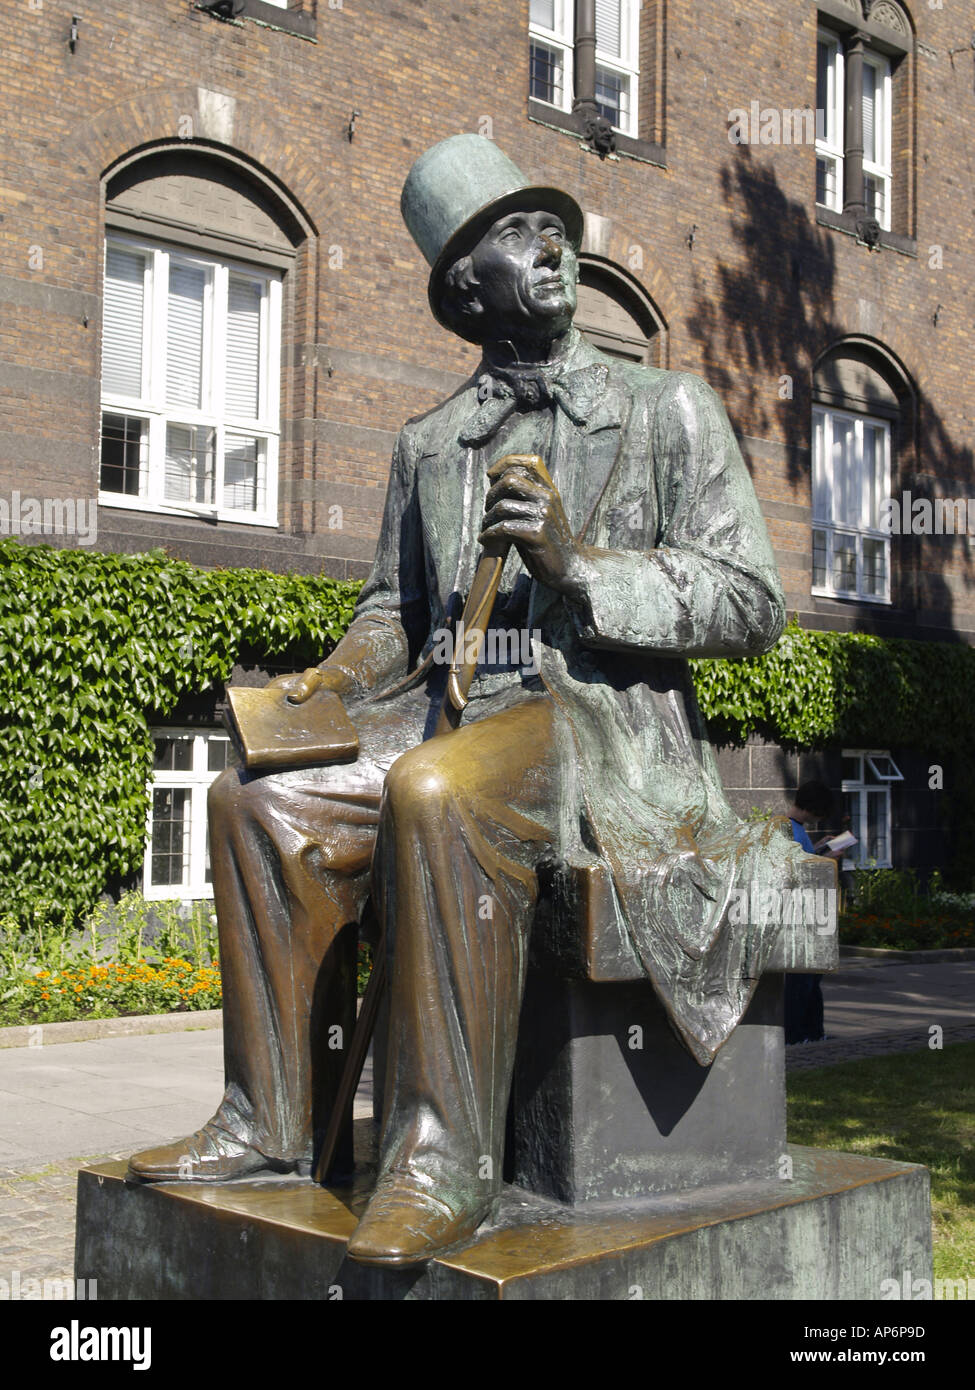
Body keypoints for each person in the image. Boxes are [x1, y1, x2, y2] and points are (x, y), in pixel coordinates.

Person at [128, 135, 814, 1266]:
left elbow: (751, 602)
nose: (547, 247)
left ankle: (441, 1160)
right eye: (512, 233)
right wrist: (330, 684)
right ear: (464, 288)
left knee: (436, 791)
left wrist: (580, 565)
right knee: (253, 805)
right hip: (446, 710)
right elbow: (393, 615)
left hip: (593, 725)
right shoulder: (427, 444)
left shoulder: (666, 410)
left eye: (553, 228)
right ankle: (269, 1124)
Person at [784, 780, 839, 1043]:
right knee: (803, 983)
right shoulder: (793, 831)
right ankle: (798, 1034)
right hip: (804, 918)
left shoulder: (791, 829)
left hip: (802, 917)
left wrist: (818, 849)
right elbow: (800, 873)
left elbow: (800, 859)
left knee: (810, 982)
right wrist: (828, 860)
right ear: (814, 809)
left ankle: (812, 1033)